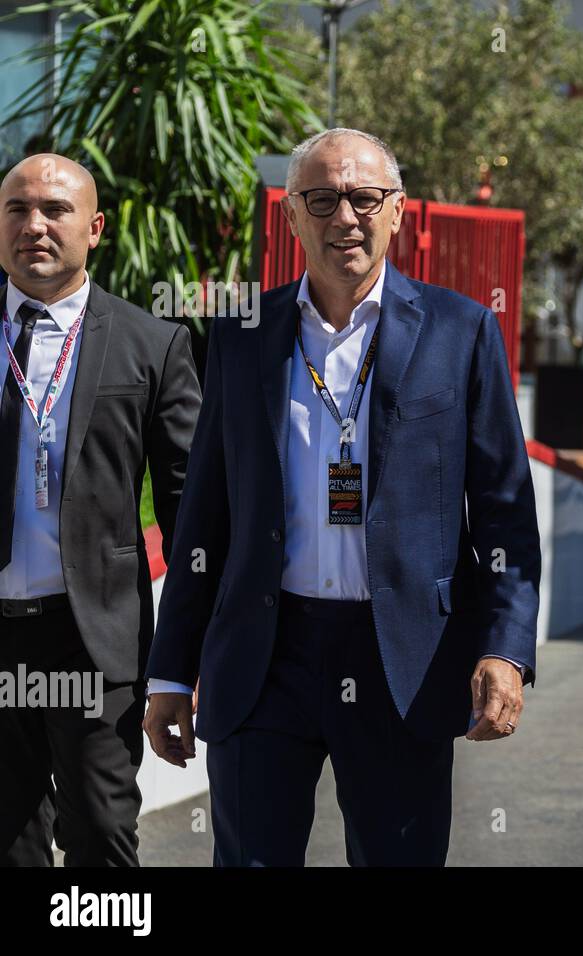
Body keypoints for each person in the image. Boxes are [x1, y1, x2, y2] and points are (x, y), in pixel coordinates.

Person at [142, 129, 541, 866]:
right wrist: (171, 670)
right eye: (321, 200)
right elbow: (205, 514)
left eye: (364, 198)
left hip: (404, 662)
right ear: (292, 216)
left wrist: (506, 649)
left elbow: (505, 512)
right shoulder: (242, 334)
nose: (344, 217)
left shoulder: (462, 331)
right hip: (264, 659)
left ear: (398, 213)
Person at [0, 154, 200, 865]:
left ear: (95, 227)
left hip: (91, 638)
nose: (34, 226)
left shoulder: (153, 344)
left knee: (98, 831)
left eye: (54, 210)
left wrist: (188, 660)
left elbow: (188, 513)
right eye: (17, 209)